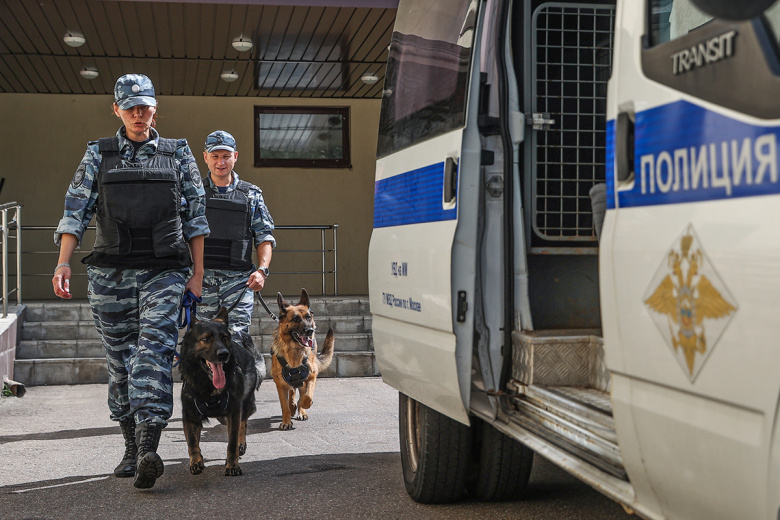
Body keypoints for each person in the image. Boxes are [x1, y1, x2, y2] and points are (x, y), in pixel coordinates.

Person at [51, 74, 209, 490]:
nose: (139, 114)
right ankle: (130, 446)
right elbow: (75, 210)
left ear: (156, 109)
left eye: (145, 107)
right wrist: (63, 263)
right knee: (120, 362)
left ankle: (148, 448)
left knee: (154, 351)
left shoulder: (178, 154)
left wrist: (197, 273)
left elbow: (196, 217)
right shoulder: (98, 154)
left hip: (165, 271)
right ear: (116, 110)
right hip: (110, 274)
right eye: (130, 107)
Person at [198, 130, 275, 354]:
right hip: (203, 281)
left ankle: (237, 379)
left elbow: (264, 236)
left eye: (226, 156)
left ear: (235, 156)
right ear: (205, 157)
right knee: (203, 342)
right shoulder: (194, 194)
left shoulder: (251, 195)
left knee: (237, 340)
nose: (220, 162)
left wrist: (262, 271)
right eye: (215, 156)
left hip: (238, 281)